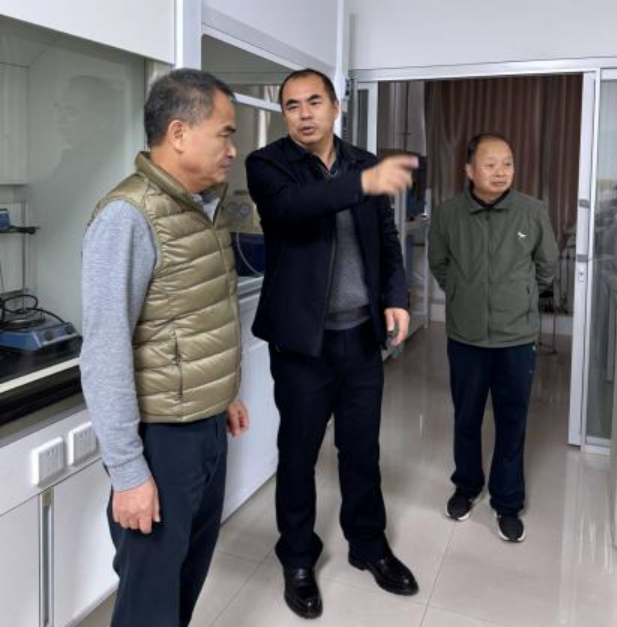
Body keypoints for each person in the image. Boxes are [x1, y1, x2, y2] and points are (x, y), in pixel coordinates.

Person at [245, 68, 420, 619]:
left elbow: (386, 240)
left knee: (361, 449)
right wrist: (362, 184)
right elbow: (291, 209)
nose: (304, 114)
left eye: (314, 102)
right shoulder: (268, 165)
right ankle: (298, 557)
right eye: (292, 105)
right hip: (303, 345)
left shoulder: (363, 162)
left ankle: (369, 545)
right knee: (298, 454)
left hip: (361, 338)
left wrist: (396, 297)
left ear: (336, 106)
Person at [80, 68, 250, 627]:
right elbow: (104, 351)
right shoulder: (128, 216)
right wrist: (129, 473)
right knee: (150, 601)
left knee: (184, 582)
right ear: (179, 133)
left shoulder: (202, 206)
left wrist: (222, 393)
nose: (232, 148)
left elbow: (196, 315)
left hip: (205, 427)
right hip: (162, 440)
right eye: (224, 133)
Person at [428, 133, 558, 543]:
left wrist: (518, 298)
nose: (501, 172)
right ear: (469, 170)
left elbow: (547, 267)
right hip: (465, 337)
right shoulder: (448, 214)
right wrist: (465, 295)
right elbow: (439, 264)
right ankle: (466, 486)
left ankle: (507, 502)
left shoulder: (532, 212)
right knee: (466, 416)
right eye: (490, 164)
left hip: (516, 337)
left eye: (508, 163)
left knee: (512, 420)